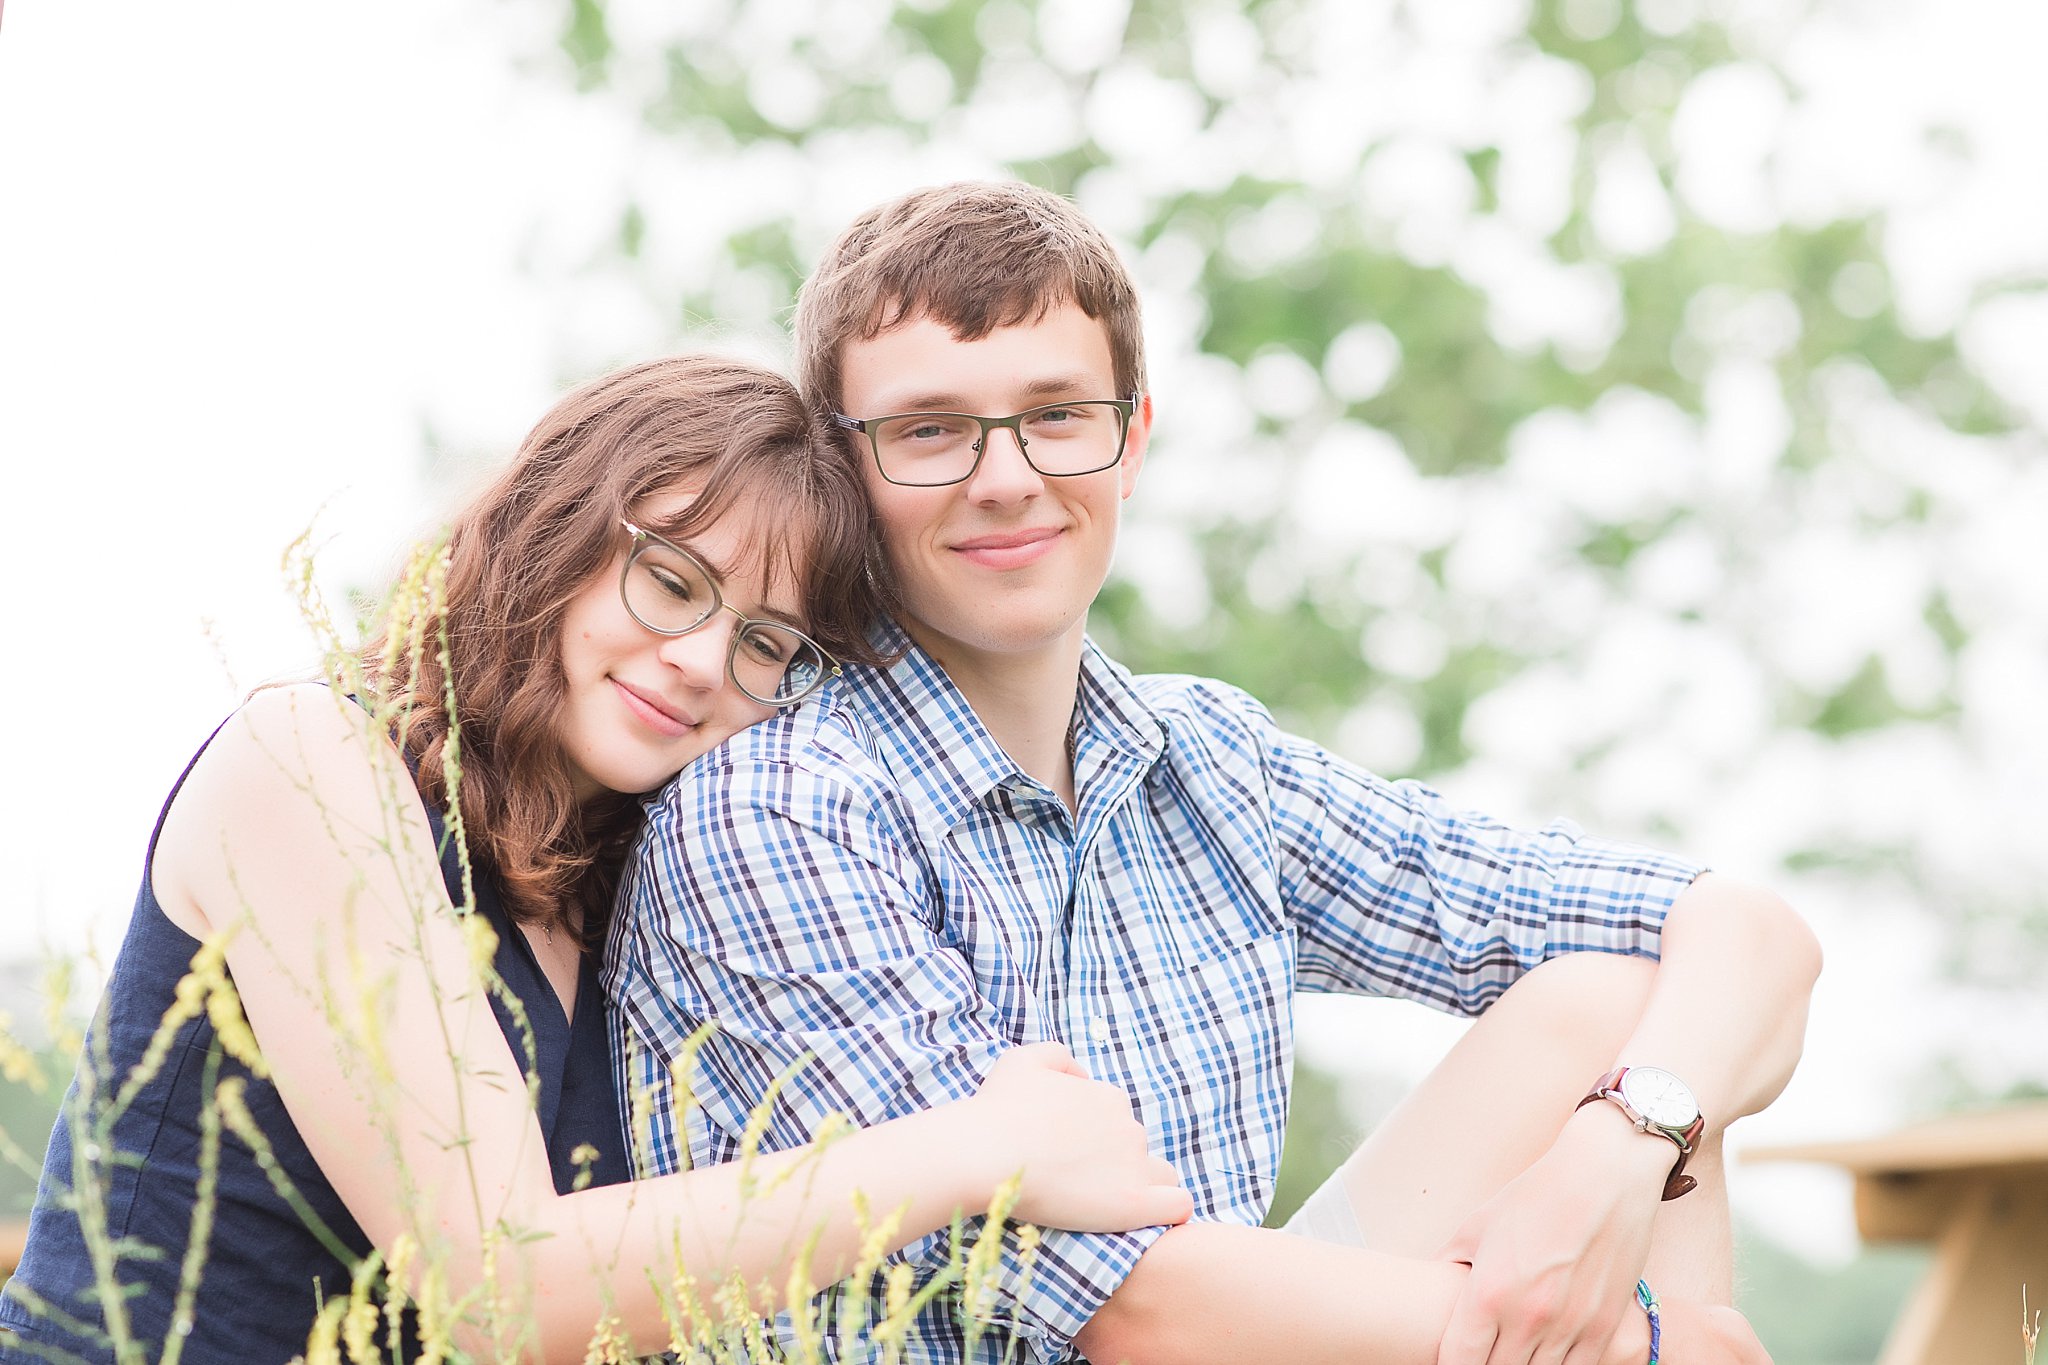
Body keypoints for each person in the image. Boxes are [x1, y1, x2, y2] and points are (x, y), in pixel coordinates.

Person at [605, 184, 1824, 1365]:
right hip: (1144, 1333)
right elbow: (1133, 1314)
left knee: (1617, 1006)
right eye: (929, 430)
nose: (1004, 477)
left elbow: (1743, 937)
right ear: (846, 473)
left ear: (1129, 440)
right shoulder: (776, 805)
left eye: (1056, 415)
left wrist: (1616, 1154)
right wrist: (1642, 1348)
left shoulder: (1209, 760)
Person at [0, 354, 1191, 1365]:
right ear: (550, 531)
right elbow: (495, 1288)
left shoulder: (635, 892)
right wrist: (981, 1150)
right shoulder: (313, 764)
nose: (697, 661)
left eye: (764, 644)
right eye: (670, 581)